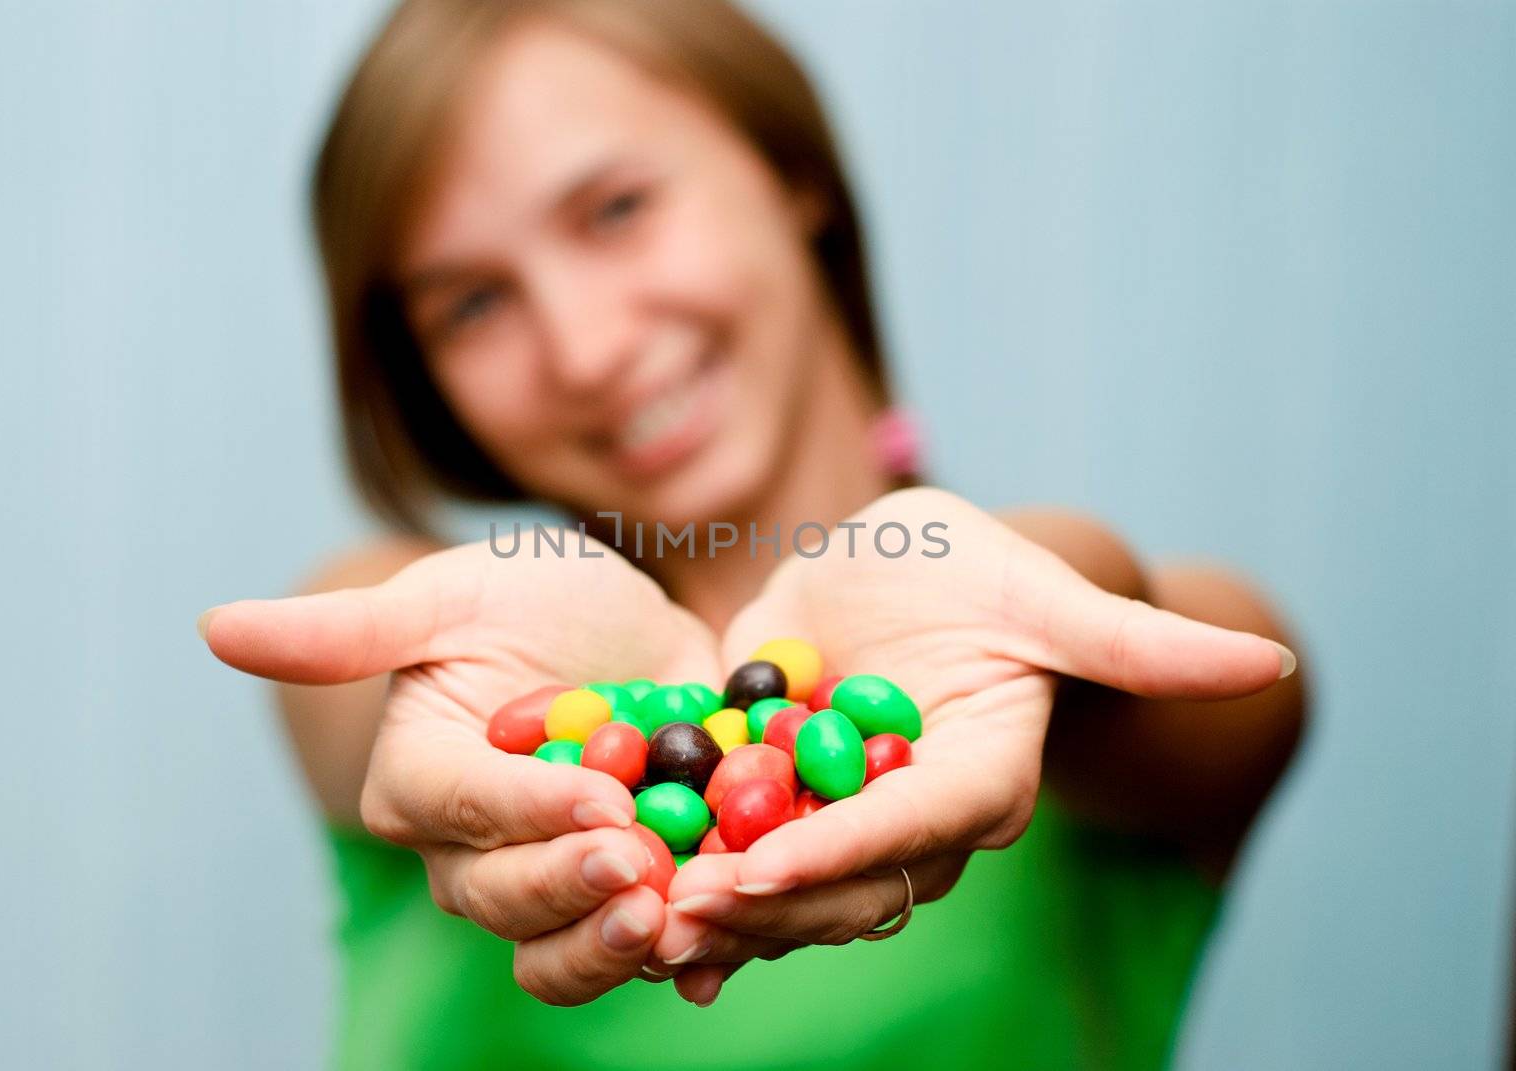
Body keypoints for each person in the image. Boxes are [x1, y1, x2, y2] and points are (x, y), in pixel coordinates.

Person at [198, 0, 1308, 1066]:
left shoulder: (1081, 690)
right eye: (471, 304)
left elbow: (1191, 663)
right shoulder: (442, 649)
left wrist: (1033, 588)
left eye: (617, 209)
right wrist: (424, 670)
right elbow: (351, 685)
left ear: (791, 175)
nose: (584, 350)